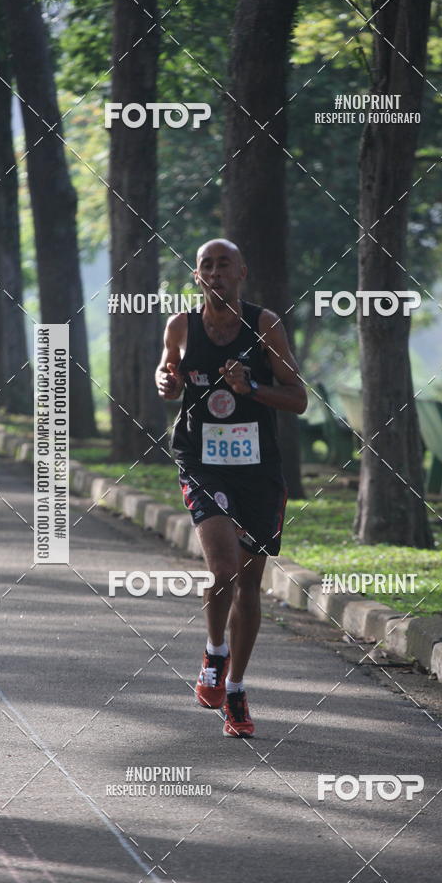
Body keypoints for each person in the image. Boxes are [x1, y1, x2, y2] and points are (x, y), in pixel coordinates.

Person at [155, 238, 307, 737]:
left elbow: (299, 398)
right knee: (222, 568)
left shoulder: (265, 327)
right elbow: (168, 372)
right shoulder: (182, 325)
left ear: (242, 271)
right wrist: (168, 382)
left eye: (224, 264)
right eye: (206, 266)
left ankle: (236, 691)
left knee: (249, 581)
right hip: (201, 460)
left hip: (258, 468)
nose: (215, 273)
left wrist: (252, 389)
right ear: (197, 276)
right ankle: (214, 652)